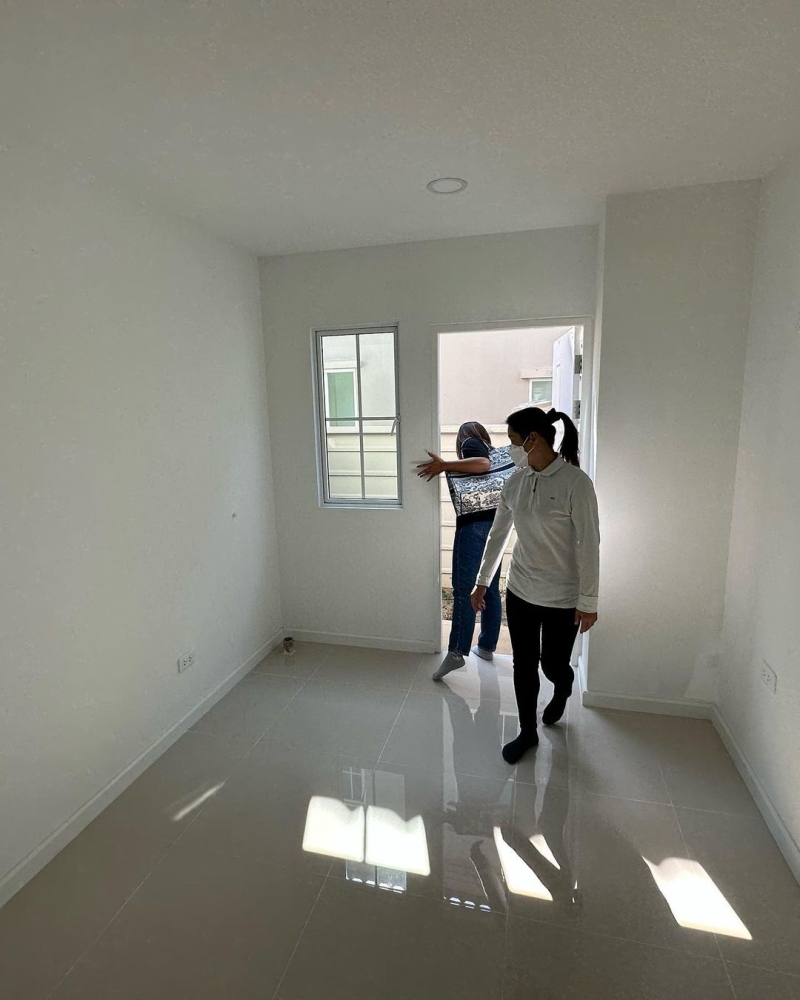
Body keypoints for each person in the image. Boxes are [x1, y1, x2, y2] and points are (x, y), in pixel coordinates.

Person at [471, 406, 599, 764]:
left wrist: (589, 600)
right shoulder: (515, 482)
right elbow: (498, 534)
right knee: (523, 664)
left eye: (512, 441)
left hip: (562, 596)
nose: (508, 449)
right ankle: (527, 732)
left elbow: (590, 544)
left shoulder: (576, 484)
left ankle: (563, 685)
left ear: (533, 439)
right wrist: (482, 581)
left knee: (552, 664)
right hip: (521, 590)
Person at [417, 422, 505, 682]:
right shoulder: (490, 448)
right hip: (495, 526)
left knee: (464, 588)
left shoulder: (470, 443)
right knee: (488, 585)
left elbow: (483, 465)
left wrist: (444, 465)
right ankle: (486, 646)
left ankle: (456, 652)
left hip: (474, 525)